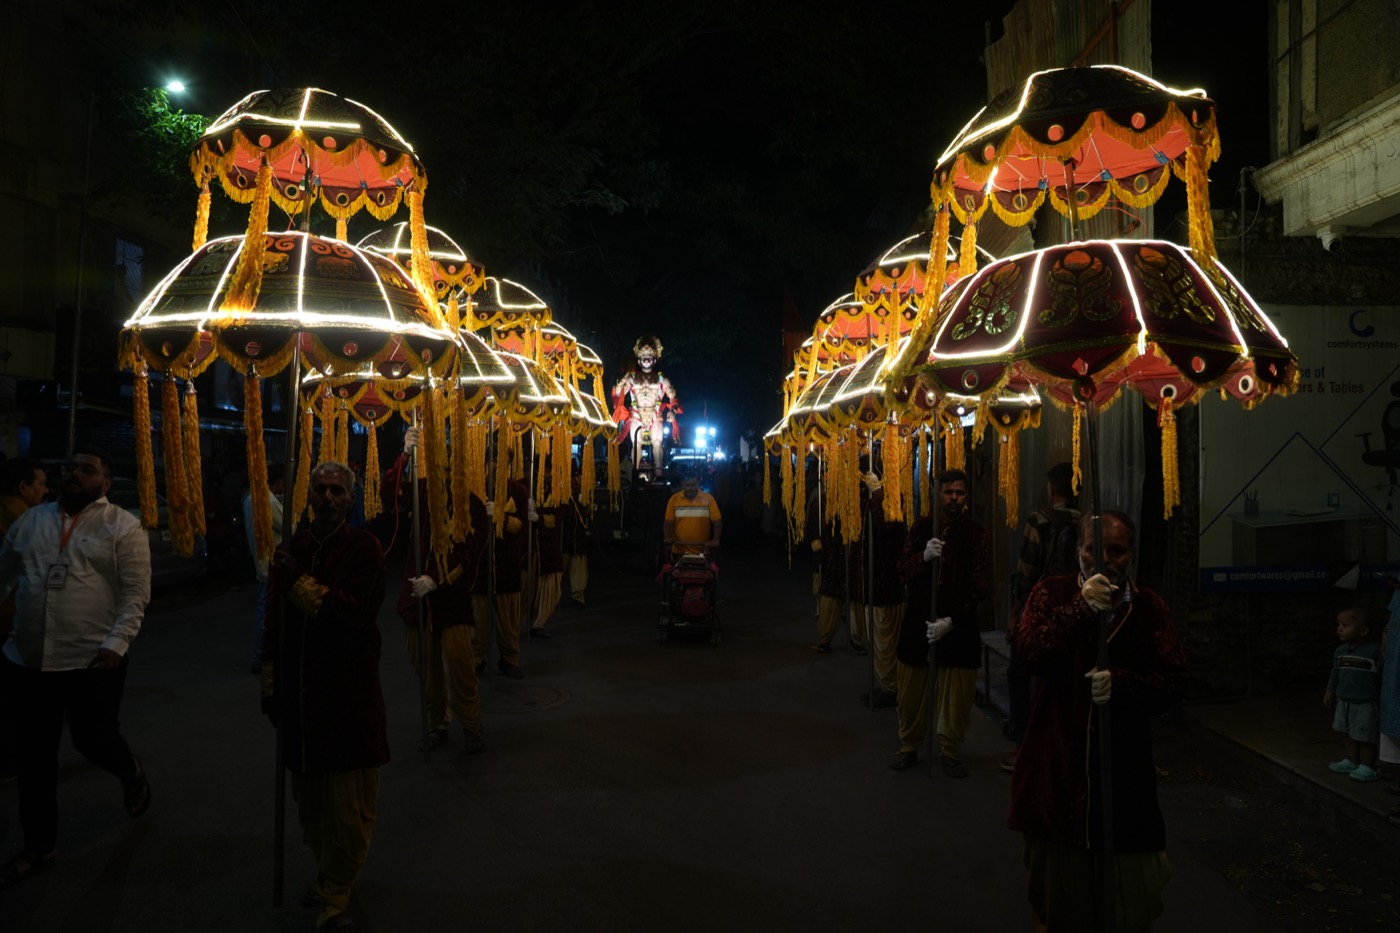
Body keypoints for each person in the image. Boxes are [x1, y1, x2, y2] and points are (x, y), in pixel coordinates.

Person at [1009, 510, 1189, 932]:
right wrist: (1078, 609)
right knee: (1060, 907)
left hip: (1124, 779)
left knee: (1127, 903)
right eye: (1094, 549)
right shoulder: (1050, 594)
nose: (1105, 560)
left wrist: (1124, 685)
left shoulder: (1148, 608)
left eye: (1117, 551)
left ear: (1131, 555)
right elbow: (1029, 653)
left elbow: (1174, 680)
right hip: (1056, 773)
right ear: (1079, 552)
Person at [0, 448, 152, 890]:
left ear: (105, 484)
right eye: (70, 467)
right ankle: (39, 845)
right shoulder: (31, 522)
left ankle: (128, 768)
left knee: (93, 740)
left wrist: (116, 644)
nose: (74, 474)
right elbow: (4, 575)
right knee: (34, 759)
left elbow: (135, 594)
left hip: (92, 661)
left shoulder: (121, 526)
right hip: (27, 661)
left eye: (88, 470)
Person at [261, 460, 387, 933]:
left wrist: (296, 580)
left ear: (350, 499)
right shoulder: (293, 548)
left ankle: (336, 893)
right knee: (310, 808)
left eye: (337, 491)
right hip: (300, 700)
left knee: (348, 811)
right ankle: (327, 874)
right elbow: (273, 624)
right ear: (308, 496)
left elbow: (348, 615)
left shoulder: (364, 549)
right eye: (321, 491)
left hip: (348, 698)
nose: (329, 498)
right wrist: (271, 689)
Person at [387, 428, 488, 754]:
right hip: (417, 597)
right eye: (440, 465)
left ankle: (471, 726)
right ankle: (436, 723)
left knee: (460, 665)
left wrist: (439, 579)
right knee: (427, 670)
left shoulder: (470, 505)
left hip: (451, 598)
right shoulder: (422, 491)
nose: (445, 472)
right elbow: (390, 492)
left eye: (451, 466)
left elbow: (471, 555)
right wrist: (404, 453)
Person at [889, 468, 989, 775]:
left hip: (957, 624)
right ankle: (909, 745)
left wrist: (951, 620)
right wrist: (923, 558)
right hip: (920, 619)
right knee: (910, 691)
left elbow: (979, 584)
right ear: (937, 494)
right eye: (949, 492)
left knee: (956, 696)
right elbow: (902, 569)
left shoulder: (976, 534)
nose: (954, 499)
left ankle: (949, 748)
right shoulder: (920, 529)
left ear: (966, 496)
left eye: (960, 493)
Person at [1003, 461, 1081, 772]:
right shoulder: (1087, 521)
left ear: (1051, 489)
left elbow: (1026, 574)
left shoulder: (1039, 521)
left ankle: (1023, 740)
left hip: (1039, 608)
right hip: (1072, 609)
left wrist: (1014, 614)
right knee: (1060, 678)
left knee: (1019, 672)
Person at [0, 457, 47, 781]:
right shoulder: (23, 522)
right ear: (23, 488)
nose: (45, 491)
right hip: (10, 622)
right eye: (41, 484)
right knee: (14, 701)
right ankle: (10, 763)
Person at [472, 473, 530, 679]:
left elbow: (523, 526)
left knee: (508, 620)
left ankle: (510, 658)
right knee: (478, 619)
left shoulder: (518, 491)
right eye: (491, 465)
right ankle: (476, 659)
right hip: (481, 564)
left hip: (507, 565)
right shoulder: (476, 487)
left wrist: (501, 517)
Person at [858, 471, 903, 705]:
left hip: (886, 585)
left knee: (885, 637)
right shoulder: (878, 503)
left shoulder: (889, 504)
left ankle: (890, 687)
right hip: (876, 584)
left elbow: (883, 530)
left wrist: (876, 497)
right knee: (876, 637)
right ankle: (884, 683)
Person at [1324, 606, 1383, 782]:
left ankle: (1368, 765)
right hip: (1344, 700)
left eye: (1345, 625)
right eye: (1339, 624)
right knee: (1348, 732)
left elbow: (1381, 675)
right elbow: (1335, 673)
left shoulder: (1374, 651)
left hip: (1365, 702)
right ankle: (1351, 760)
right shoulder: (1341, 651)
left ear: (1363, 630)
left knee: (1365, 735)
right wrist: (1329, 690)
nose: (1339, 628)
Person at [805, 477, 861, 655]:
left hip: (852, 555)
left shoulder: (855, 502)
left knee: (854, 600)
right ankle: (825, 638)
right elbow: (812, 528)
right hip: (830, 557)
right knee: (829, 595)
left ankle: (857, 640)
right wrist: (818, 546)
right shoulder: (819, 503)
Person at [243, 461, 286, 674]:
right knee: (267, 613)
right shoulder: (267, 501)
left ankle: (261, 656)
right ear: (277, 483)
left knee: (265, 610)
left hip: (259, 562)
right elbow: (289, 527)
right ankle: (260, 657)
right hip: (271, 565)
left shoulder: (249, 499)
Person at [530, 472, 565, 639]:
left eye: (550, 471)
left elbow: (558, 518)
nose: (547, 476)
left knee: (552, 589)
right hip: (533, 548)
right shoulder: (531, 490)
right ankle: (532, 623)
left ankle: (539, 622)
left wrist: (539, 519)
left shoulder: (557, 493)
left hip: (550, 546)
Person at [663, 471, 722, 559]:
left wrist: (715, 539)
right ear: (683, 485)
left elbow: (717, 522)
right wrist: (668, 538)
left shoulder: (709, 499)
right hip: (679, 550)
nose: (690, 488)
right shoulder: (674, 499)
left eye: (693, 485)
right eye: (687, 485)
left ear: (698, 483)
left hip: (702, 550)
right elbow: (668, 522)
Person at [560, 471, 590, 607]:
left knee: (577, 565)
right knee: (559, 565)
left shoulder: (581, 489)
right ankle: (554, 596)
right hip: (564, 532)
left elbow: (587, 511)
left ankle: (578, 595)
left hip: (577, 533)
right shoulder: (561, 487)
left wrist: (585, 505)